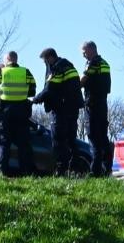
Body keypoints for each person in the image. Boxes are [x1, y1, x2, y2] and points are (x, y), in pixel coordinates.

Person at [33, 47, 83, 176]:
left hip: (61, 109)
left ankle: (61, 170)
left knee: (58, 140)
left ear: (50, 57)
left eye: (45, 61)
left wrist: (35, 100)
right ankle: (76, 168)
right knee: (71, 139)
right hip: (72, 108)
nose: (45, 64)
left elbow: (49, 89)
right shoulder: (68, 65)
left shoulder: (57, 68)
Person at [0, 51, 36, 176]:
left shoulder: (1, 72)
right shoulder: (25, 71)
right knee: (23, 143)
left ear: (7, 59)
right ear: (16, 59)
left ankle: (3, 171)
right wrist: (22, 95)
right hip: (22, 111)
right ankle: (25, 171)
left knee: (4, 142)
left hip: (5, 111)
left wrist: (1, 97)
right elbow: (33, 89)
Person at [80, 40, 113, 177]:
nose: (83, 55)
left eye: (84, 52)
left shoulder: (93, 64)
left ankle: (95, 171)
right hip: (102, 104)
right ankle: (108, 168)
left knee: (93, 137)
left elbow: (83, 81)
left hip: (92, 104)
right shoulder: (105, 63)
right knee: (103, 137)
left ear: (91, 49)